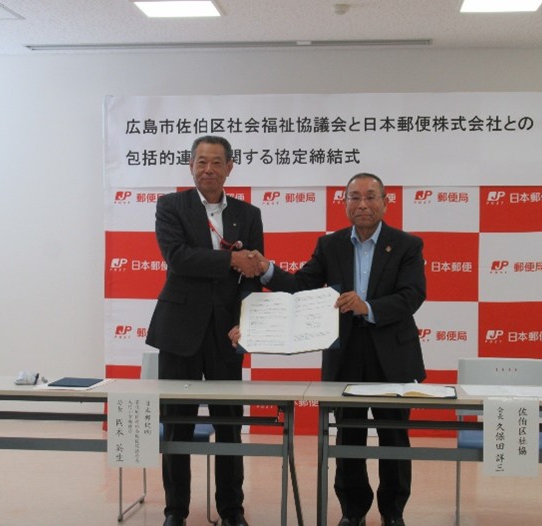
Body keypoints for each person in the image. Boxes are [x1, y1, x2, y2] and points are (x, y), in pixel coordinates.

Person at [234, 172, 426, 526]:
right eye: (354, 197)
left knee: (394, 438)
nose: (363, 204)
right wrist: (266, 269)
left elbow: (412, 295)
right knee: (348, 436)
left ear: (385, 203)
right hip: (345, 354)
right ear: (345, 203)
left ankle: (393, 512)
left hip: (393, 357)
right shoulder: (331, 245)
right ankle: (353, 511)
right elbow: (301, 286)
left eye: (370, 196)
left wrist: (367, 307)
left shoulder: (406, 245)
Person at [146, 135, 264, 526]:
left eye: (216, 162)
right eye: (201, 162)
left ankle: (232, 510)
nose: (208, 170)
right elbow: (178, 258)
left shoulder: (248, 214)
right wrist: (230, 260)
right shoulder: (171, 206)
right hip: (179, 332)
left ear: (230, 167)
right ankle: (175, 510)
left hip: (226, 334)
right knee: (177, 426)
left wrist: (244, 320)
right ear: (191, 166)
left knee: (229, 425)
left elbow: (252, 274)